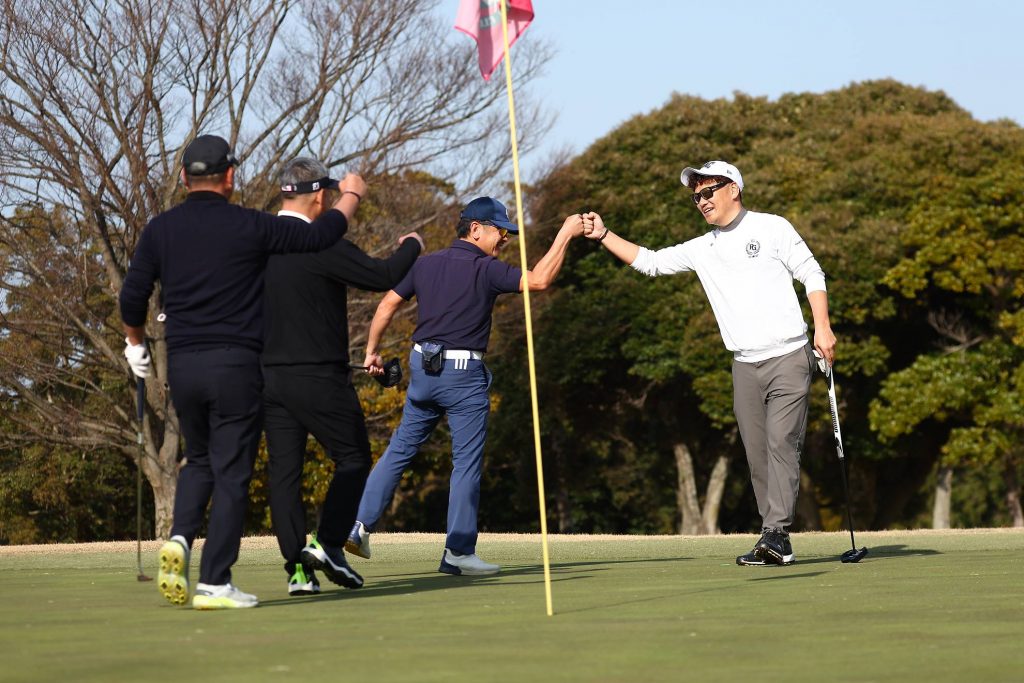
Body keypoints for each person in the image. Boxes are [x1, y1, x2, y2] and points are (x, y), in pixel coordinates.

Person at [119, 134, 359, 609]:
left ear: (184, 177)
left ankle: (180, 538)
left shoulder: (160, 229)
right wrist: (349, 194)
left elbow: (132, 296)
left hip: (183, 366)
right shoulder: (251, 225)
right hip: (236, 366)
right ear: (229, 177)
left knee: (200, 460)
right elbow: (319, 236)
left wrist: (134, 344)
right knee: (231, 472)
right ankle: (214, 582)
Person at [583, 160, 835, 567]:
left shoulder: (772, 227)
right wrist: (604, 235)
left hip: (789, 355)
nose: (701, 200)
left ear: (733, 188)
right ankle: (774, 536)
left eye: (708, 191)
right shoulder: (703, 248)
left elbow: (812, 272)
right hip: (744, 364)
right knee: (757, 454)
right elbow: (651, 262)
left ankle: (776, 533)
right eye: (695, 196)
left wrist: (822, 327)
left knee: (781, 442)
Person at [345, 198, 584, 575]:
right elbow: (539, 280)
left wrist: (371, 351)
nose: (504, 239)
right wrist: (566, 233)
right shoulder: (486, 268)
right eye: (500, 231)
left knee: (400, 450)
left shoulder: (424, 264)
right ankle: (458, 551)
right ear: (475, 229)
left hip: (422, 370)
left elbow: (387, 304)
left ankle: (359, 527)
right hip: (462, 375)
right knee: (466, 464)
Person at [261, 157, 423, 596]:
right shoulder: (318, 241)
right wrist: (413, 245)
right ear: (319, 197)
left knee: (284, 476)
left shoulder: (259, 240)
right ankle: (328, 543)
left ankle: (298, 572)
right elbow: (383, 275)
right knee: (353, 458)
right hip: (319, 378)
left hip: (270, 379)